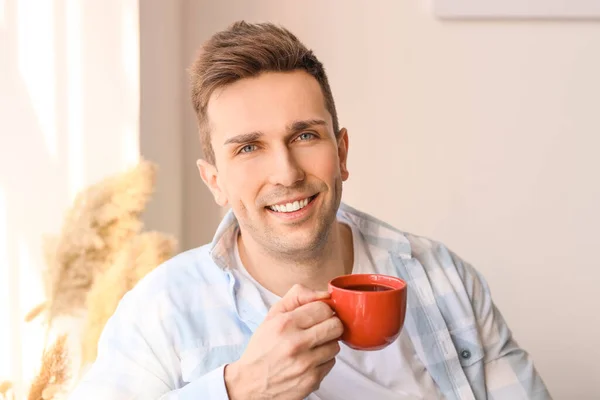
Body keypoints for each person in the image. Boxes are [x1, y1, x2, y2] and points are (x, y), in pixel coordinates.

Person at [69, 21, 551, 400]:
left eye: (304, 136)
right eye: (248, 148)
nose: (286, 173)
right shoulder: (161, 309)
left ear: (341, 153)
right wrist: (238, 390)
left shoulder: (444, 277)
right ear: (214, 181)